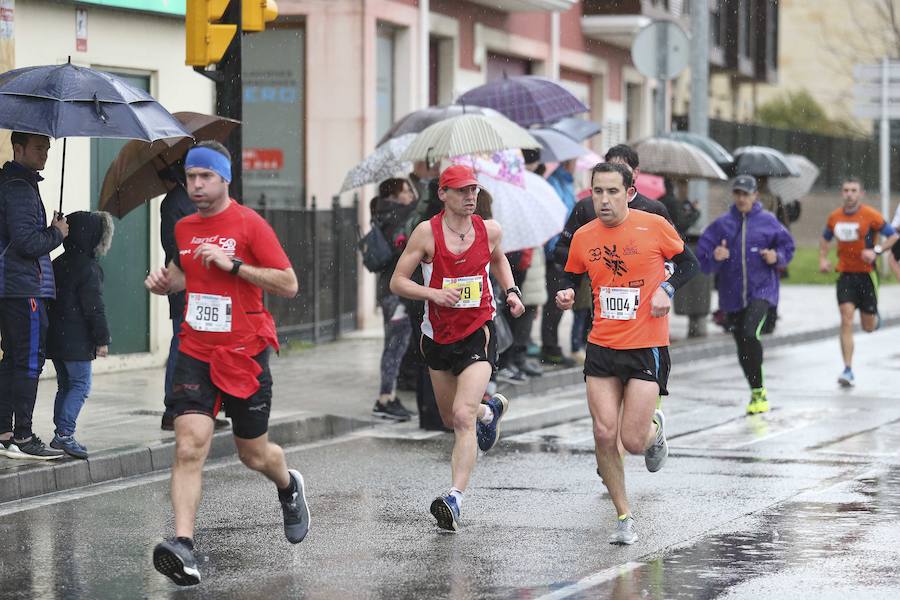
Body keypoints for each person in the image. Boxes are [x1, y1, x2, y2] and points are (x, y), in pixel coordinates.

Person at [144, 142, 309, 586]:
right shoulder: (183, 227)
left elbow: (289, 283)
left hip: (245, 352)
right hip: (196, 350)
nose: (195, 185)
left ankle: (287, 485)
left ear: (224, 179)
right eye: (191, 177)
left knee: (253, 453)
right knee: (188, 444)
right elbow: (186, 275)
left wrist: (234, 264)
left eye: (205, 177)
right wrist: (166, 281)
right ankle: (183, 545)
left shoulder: (250, 224)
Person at [555, 162, 699, 545]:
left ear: (630, 193)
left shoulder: (653, 226)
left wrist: (666, 291)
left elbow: (688, 263)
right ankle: (623, 515)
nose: (603, 199)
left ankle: (654, 431)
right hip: (602, 344)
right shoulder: (584, 236)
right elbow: (570, 271)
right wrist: (567, 290)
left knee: (633, 441)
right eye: (597, 191)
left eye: (612, 192)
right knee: (604, 433)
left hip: (645, 345)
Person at [390, 164, 525, 531]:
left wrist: (511, 291)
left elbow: (498, 260)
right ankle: (490, 411)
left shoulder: (489, 229)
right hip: (436, 335)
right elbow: (398, 281)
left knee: (461, 417)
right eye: (462, 191)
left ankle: (454, 498)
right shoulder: (426, 234)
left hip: (478, 329)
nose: (470, 197)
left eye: (474, 191)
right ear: (443, 194)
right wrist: (432, 292)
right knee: (452, 417)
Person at [696, 176, 795, 415]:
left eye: (746, 194)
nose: (741, 198)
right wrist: (715, 256)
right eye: (738, 193)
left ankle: (759, 390)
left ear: (755, 196)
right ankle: (756, 391)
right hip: (731, 295)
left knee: (750, 332)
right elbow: (702, 257)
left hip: (762, 291)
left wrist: (776, 257)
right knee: (741, 341)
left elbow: (787, 247)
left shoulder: (768, 222)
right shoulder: (722, 224)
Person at [0, 132, 68, 460]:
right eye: (39, 148)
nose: (45, 154)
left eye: (47, 148)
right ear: (18, 148)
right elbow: (27, 243)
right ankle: (23, 436)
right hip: (23, 287)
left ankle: (5, 432)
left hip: (14, 286)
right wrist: (57, 233)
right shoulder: (18, 188)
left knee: (13, 359)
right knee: (28, 361)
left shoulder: (17, 183)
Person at [158, 166, 230, 432]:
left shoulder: (185, 202)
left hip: (196, 285)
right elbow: (177, 247)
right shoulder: (179, 203)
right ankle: (177, 409)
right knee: (184, 344)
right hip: (188, 285)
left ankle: (194, 408)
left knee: (194, 346)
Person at [46, 211, 114, 458]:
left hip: (56, 337)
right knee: (80, 385)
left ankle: (61, 434)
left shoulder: (57, 263)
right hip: (76, 340)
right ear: (93, 236)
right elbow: (94, 308)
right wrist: (102, 340)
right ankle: (64, 435)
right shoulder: (89, 268)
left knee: (65, 385)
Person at [819, 177, 898, 387]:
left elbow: (892, 236)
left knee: (868, 327)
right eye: (846, 190)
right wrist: (823, 259)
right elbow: (825, 238)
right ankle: (847, 369)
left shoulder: (870, 215)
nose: (849, 194)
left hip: (867, 276)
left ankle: (873, 317)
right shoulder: (835, 217)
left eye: (854, 190)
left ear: (860, 194)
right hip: (845, 275)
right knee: (846, 318)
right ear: (842, 193)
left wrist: (876, 251)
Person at [370, 177, 418, 421]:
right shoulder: (399, 217)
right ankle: (384, 398)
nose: (410, 193)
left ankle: (388, 395)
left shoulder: (381, 213)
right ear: (394, 194)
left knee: (394, 343)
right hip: (396, 293)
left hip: (388, 291)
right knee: (395, 345)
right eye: (406, 189)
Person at [541, 158, 579, 367]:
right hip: (556, 251)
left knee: (559, 304)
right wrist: (557, 249)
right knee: (554, 304)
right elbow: (556, 217)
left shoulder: (567, 182)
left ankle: (552, 346)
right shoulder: (555, 183)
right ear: (567, 163)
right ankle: (550, 348)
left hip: (568, 250)